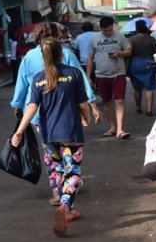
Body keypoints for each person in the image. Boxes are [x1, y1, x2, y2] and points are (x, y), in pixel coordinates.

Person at [11, 22, 100, 206]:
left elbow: (27, 97)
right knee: (72, 167)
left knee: (54, 163)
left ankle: (58, 193)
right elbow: (82, 86)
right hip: (69, 122)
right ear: (59, 47)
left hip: (43, 123)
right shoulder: (69, 61)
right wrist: (88, 113)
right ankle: (67, 204)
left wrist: (19, 119)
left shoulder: (30, 61)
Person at [87, 16, 131, 139]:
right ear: (100, 28)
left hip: (118, 74)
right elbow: (90, 58)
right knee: (107, 102)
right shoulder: (94, 39)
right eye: (105, 31)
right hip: (101, 74)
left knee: (119, 100)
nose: (107, 33)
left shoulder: (120, 36)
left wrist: (119, 54)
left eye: (109, 30)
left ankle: (120, 129)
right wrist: (88, 75)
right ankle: (112, 127)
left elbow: (129, 51)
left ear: (113, 26)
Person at [128, 20, 156, 116]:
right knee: (149, 88)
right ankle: (149, 109)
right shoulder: (151, 39)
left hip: (135, 63)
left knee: (137, 88)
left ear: (136, 28)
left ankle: (138, 107)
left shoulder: (131, 39)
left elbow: (128, 51)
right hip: (148, 62)